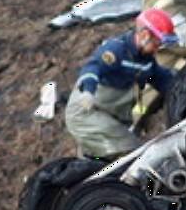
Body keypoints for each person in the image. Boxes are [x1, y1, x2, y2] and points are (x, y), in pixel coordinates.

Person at [64, 9, 177, 160]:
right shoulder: (116, 50)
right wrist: (88, 92)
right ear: (145, 36)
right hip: (87, 111)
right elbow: (92, 68)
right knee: (131, 151)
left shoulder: (147, 61)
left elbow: (162, 80)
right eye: (158, 42)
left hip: (111, 115)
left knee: (102, 159)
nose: (159, 47)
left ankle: (95, 177)